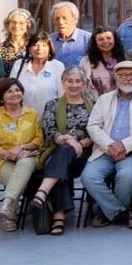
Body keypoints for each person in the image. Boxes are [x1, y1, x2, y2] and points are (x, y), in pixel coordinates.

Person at [82, 62, 132, 228]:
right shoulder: (104, 99)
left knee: (127, 176)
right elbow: (92, 126)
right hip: (104, 151)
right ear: (116, 77)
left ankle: (108, 213)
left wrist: (123, 145)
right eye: (123, 75)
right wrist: (110, 145)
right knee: (88, 176)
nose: (128, 78)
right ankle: (119, 213)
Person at [28, 68, 94, 235]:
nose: (74, 85)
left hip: (85, 154)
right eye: (69, 81)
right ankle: (58, 216)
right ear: (63, 83)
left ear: (84, 84)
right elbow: (50, 131)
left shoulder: (94, 104)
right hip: (57, 149)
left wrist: (81, 144)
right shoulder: (52, 104)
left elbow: (98, 130)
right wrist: (71, 142)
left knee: (58, 164)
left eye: (78, 81)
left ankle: (43, 194)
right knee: (62, 157)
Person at [0, 78, 42, 232]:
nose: (14, 94)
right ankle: (10, 208)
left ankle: (7, 209)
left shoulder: (32, 114)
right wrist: (10, 154)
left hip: (28, 156)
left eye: (17, 90)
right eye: (9, 91)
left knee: (25, 162)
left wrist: (21, 148)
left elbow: (39, 139)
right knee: (15, 180)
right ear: (1, 97)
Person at [11, 33, 66, 114]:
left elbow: (62, 94)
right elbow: (11, 91)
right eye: (36, 45)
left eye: (44, 45)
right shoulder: (19, 65)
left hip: (50, 118)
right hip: (23, 118)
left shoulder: (57, 66)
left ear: (49, 49)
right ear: (29, 48)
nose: (39, 48)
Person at [50, 2, 92, 69]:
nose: (60, 22)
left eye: (64, 18)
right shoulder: (49, 40)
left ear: (75, 19)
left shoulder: (88, 39)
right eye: (57, 18)